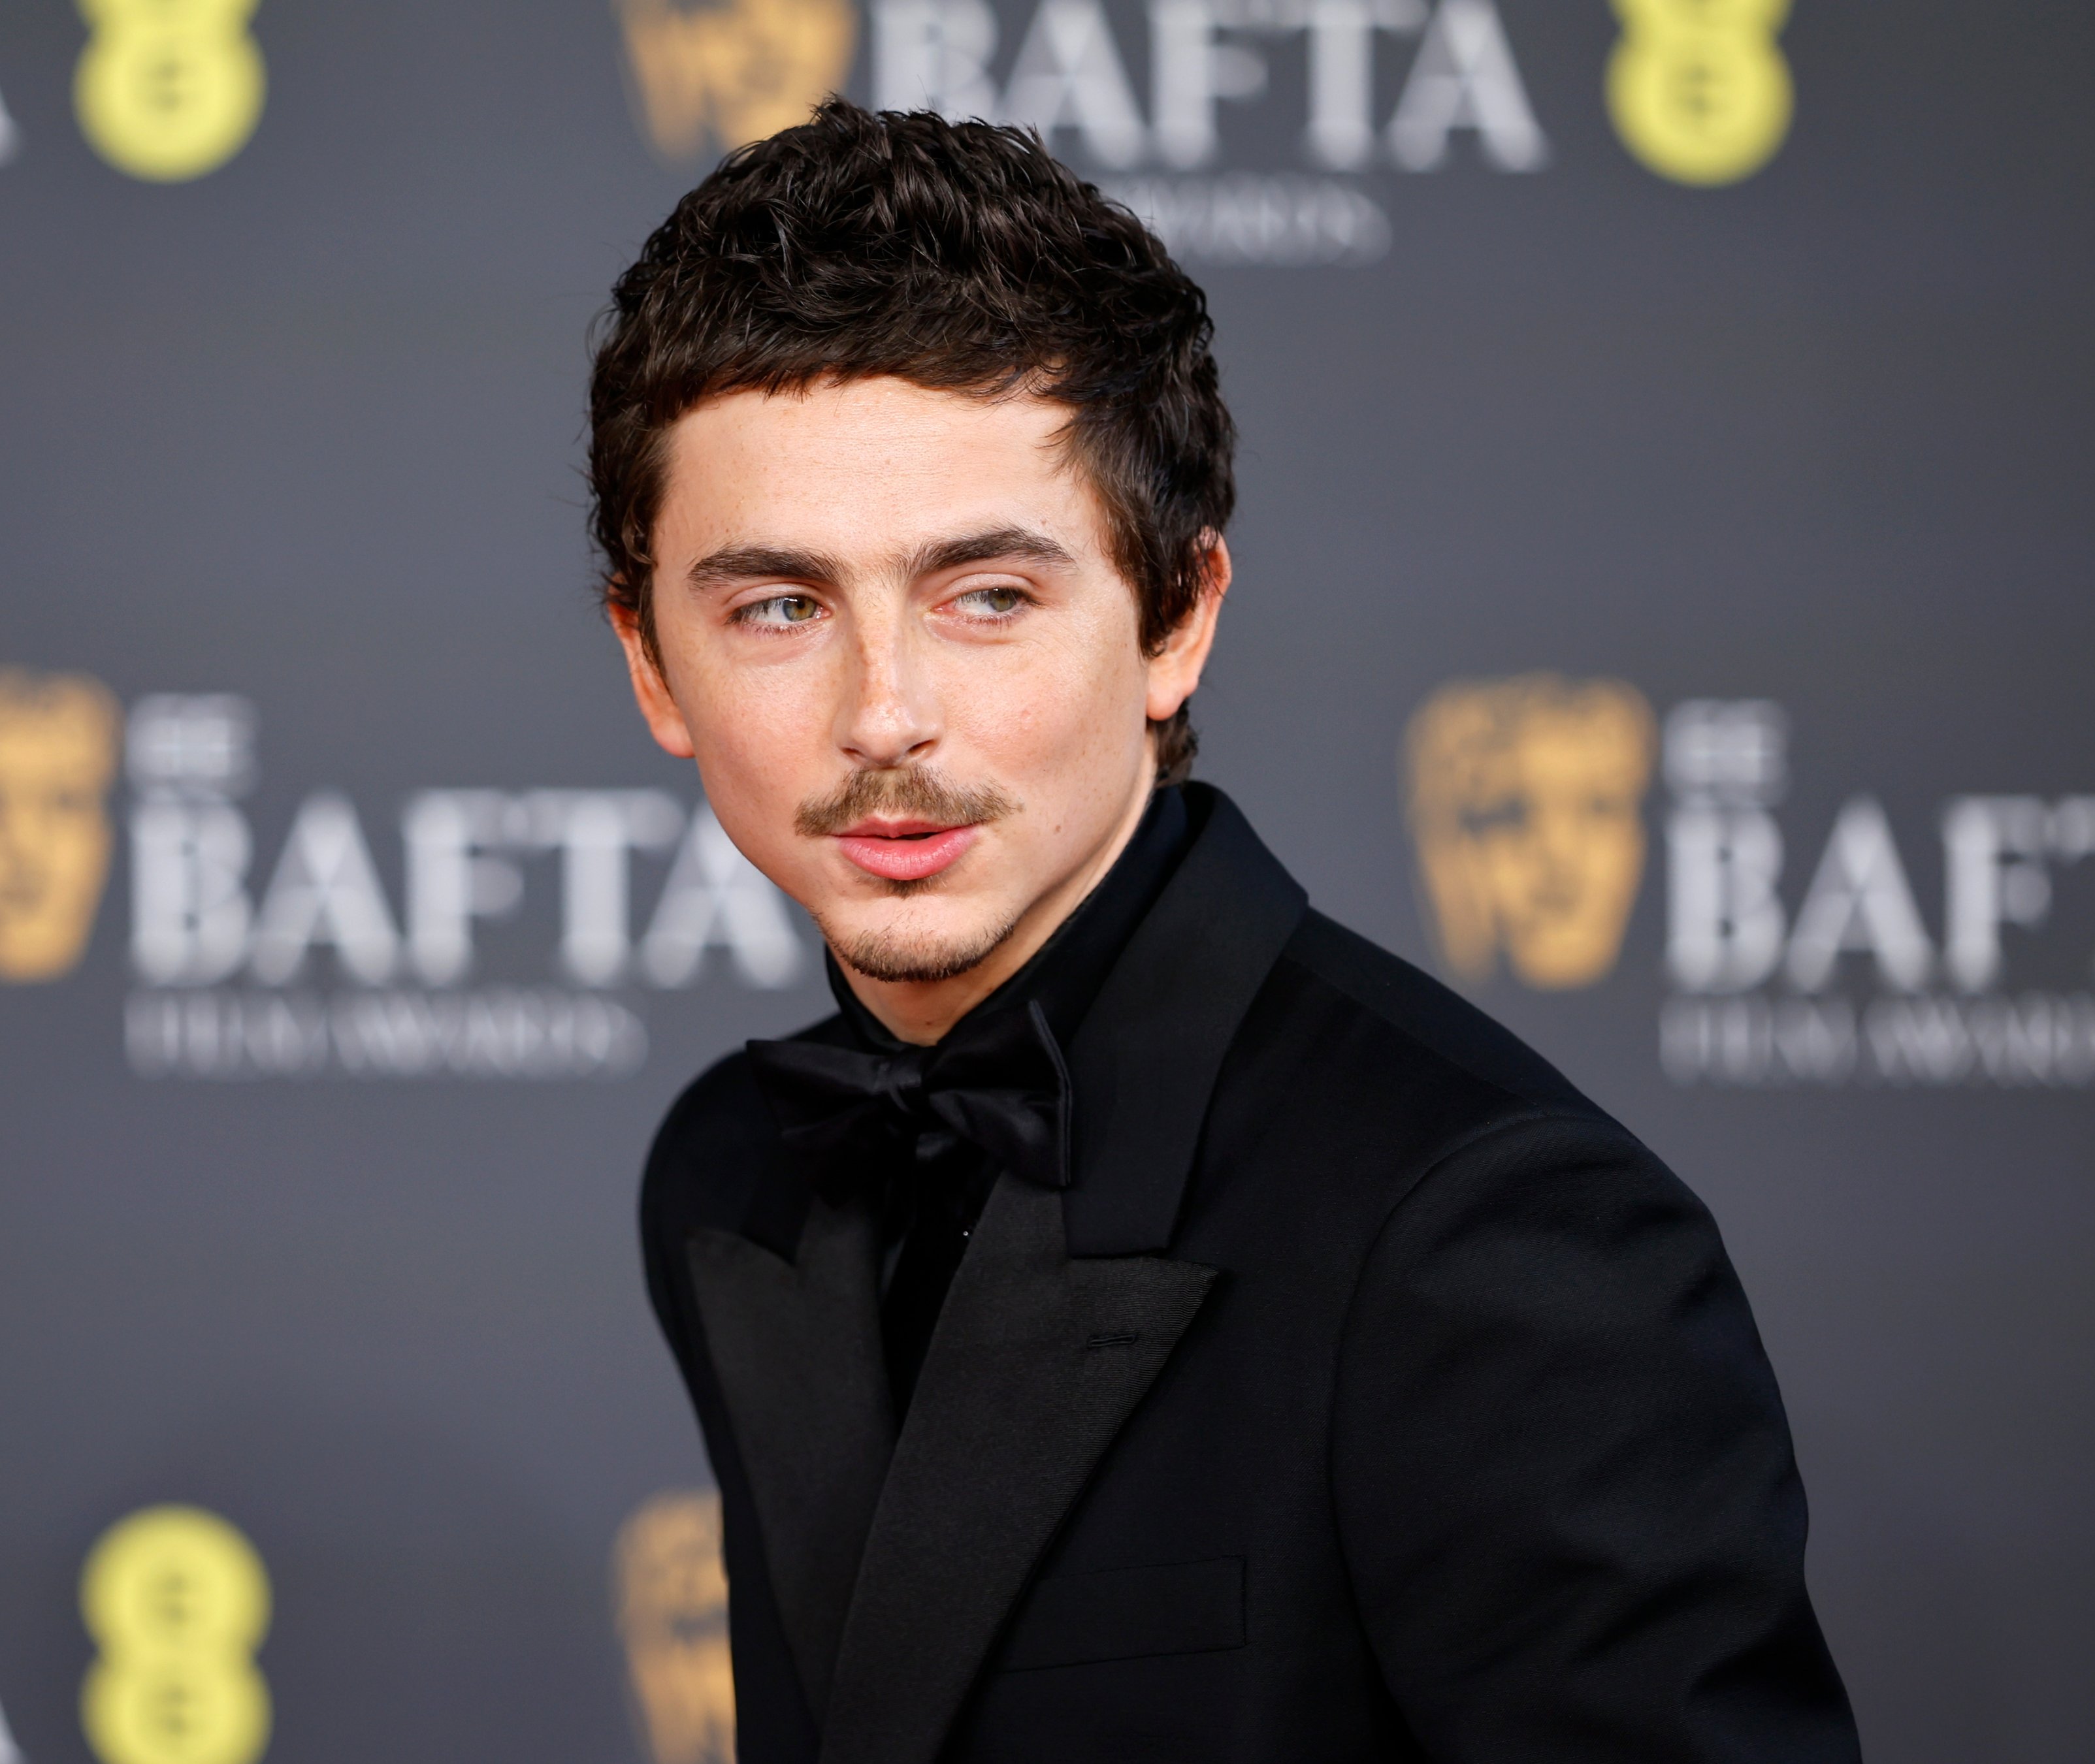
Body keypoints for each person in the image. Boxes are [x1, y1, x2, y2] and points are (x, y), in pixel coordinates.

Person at [596, 99, 1859, 1764]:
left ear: (1176, 618)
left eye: (988, 595)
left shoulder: (1489, 1238)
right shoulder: (732, 1172)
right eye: (778, 606)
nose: (882, 715)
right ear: (650, 663)